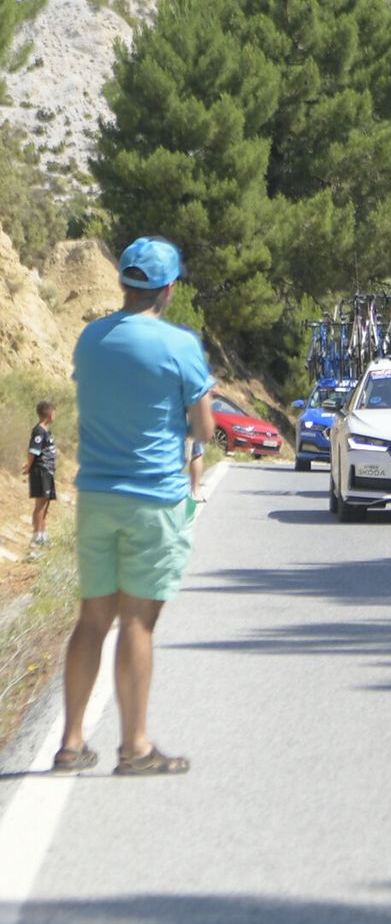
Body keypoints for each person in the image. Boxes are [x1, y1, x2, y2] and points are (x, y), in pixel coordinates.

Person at [55, 237, 215, 777]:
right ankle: (135, 747)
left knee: (91, 619)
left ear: (123, 282)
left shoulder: (90, 338)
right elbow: (204, 428)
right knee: (138, 623)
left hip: (96, 495)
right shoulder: (180, 345)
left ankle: (71, 744)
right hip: (152, 498)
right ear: (169, 289)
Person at [23, 400, 58, 550]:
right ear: (50, 414)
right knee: (40, 504)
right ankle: (37, 536)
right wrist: (29, 466)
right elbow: (33, 451)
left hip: (48, 471)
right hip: (41, 470)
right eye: (54, 412)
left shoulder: (46, 432)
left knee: (46, 503)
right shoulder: (38, 431)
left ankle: (43, 535)